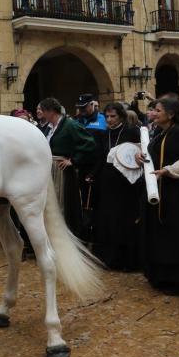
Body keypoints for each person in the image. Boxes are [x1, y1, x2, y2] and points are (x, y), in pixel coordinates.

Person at [135, 97, 179, 295]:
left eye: (158, 110)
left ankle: (178, 280)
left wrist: (167, 171)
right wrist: (140, 157)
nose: (154, 113)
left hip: (175, 193)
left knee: (173, 236)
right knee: (158, 235)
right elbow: (150, 155)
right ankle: (160, 276)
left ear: (171, 114)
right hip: (157, 189)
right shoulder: (158, 132)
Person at [90, 103, 142, 271]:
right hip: (107, 181)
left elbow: (138, 154)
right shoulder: (103, 135)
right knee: (108, 218)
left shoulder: (131, 132)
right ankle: (109, 258)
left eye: (113, 116)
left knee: (124, 217)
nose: (110, 120)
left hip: (126, 182)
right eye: (107, 116)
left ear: (121, 116)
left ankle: (127, 260)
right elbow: (100, 157)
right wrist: (92, 174)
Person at [38, 97, 96, 240]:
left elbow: (89, 143)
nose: (41, 114)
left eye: (42, 111)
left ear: (51, 111)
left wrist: (73, 160)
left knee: (65, 201)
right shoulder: (49, 127)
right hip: (50, 168)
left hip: (62, 170)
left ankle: (68, 235)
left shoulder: (70, 125)